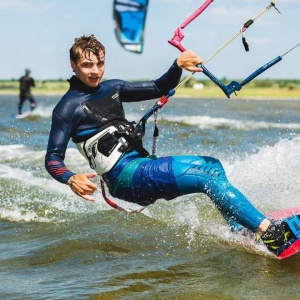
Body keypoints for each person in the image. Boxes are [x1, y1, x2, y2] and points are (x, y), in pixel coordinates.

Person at [45, 34, 297, 257]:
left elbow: (158, 87)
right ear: (73, 65)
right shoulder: (67, 108)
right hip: (123, 177)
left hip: (140, 165)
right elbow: (53, 158)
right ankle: (271, 233)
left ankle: (240, 230)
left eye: (100, 63)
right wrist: (70, 178)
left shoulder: (113, 88)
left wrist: (177, 65)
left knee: (213, 166)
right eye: (87, 65)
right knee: (203, 175)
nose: (95, 71)